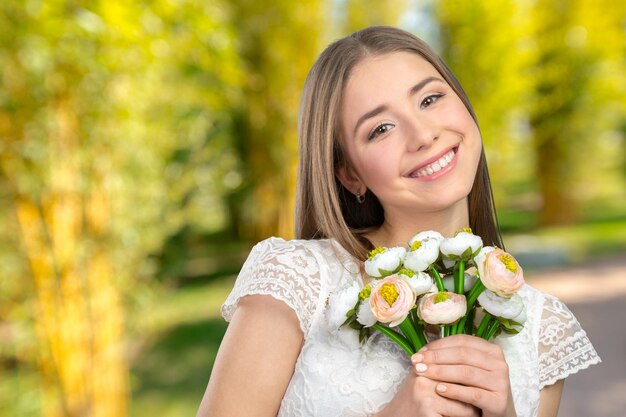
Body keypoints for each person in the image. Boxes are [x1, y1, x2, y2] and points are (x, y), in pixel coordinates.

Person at [196, 26, 600, 417]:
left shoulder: (544, 327)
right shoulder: (296, 282)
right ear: (349, 174)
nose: (423, 135)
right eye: (381, 129)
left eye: (429, 99)